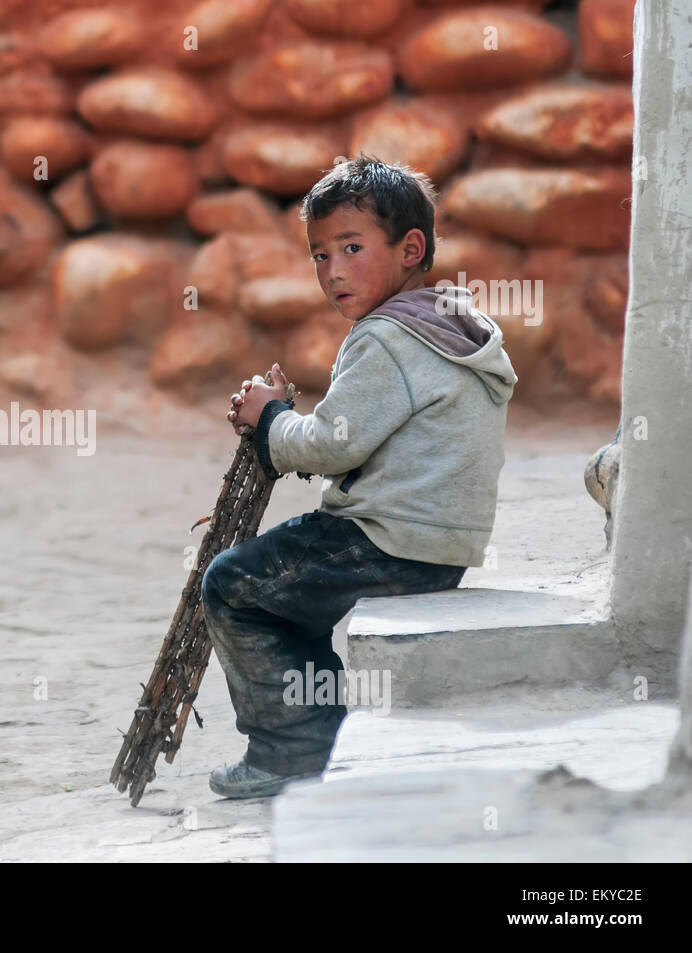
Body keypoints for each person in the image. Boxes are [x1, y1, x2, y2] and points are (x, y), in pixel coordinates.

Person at [203, 155, 518, 798]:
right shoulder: (450, 323)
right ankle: (321, 731)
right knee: (289, 598)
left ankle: (290, 749)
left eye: (351, 247)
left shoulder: (387, 338)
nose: (333, 270)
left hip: (386, 539)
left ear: (410, 249)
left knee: (234, 585)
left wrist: (271, 421)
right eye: (319, 255)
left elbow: (327, 446)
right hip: (443, 544)